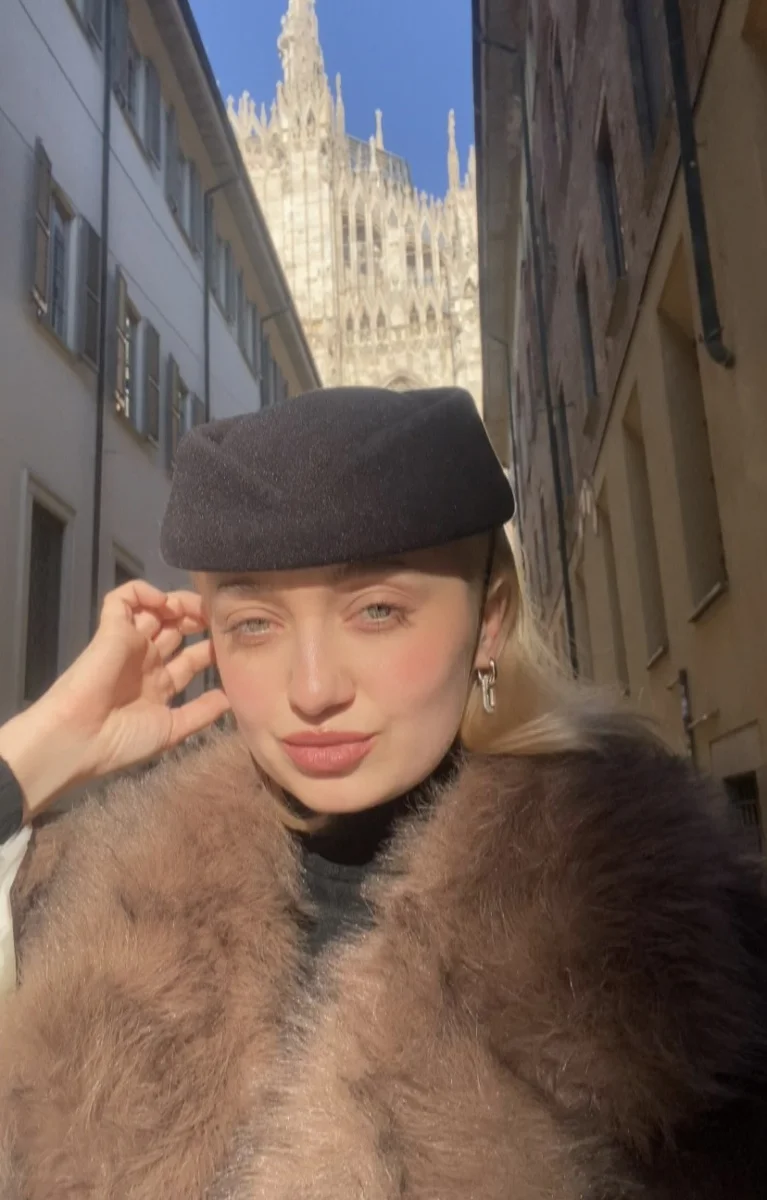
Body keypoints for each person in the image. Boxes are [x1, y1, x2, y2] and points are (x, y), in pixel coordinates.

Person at [0, 386, 765, 1200]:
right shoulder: (74, 897)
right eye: (253, 623)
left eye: (375, 610)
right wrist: (37, 756)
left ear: (489, 621)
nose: (313, 689)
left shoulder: (679, 960)